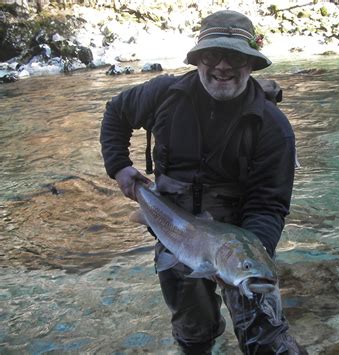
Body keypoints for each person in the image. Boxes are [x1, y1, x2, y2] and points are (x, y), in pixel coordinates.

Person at [100, 9, 306, 355]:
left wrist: (249, 254)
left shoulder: (273, 128)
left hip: (241, 242)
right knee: (193, 335)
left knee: (268, 342)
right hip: (173, 228)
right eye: (212, 55)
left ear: (251, 64)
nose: (222, 66)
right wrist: (120, 167)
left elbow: (269, 205)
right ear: (198, 59)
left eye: (235, 56)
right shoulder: (163, 94)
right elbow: (115, 114)